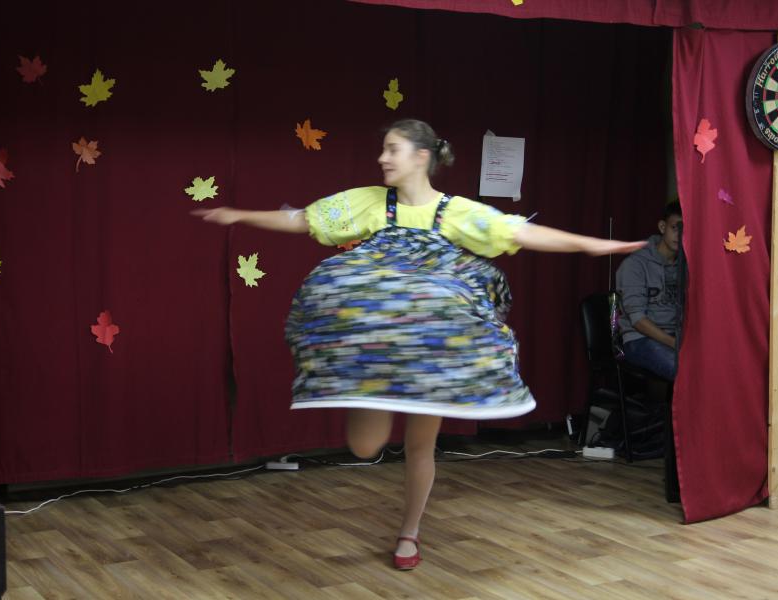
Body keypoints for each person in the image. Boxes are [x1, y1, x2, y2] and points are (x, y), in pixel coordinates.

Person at [193, 119, 644, 570]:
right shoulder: (369, 203)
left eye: (392, 149)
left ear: (421, 157)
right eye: (383, 149)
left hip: (431, 355)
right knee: (364, 448)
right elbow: (303, 219)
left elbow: (520, 232)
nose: (382, 158)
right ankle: (372, 390)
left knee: (420, 447)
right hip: (377, 355)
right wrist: (240, 215)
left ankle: (409, 533)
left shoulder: (457, 213)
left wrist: (589, 245)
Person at [615, 201, 683, 381]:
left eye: (685, 230)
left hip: (674, 337)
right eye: (675, 228)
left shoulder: (685, 266)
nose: (680, 235)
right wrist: (675, 344)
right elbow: (638, 321)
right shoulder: (635, 264)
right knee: (685, 370)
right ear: (662, 227)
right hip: (639, 339)